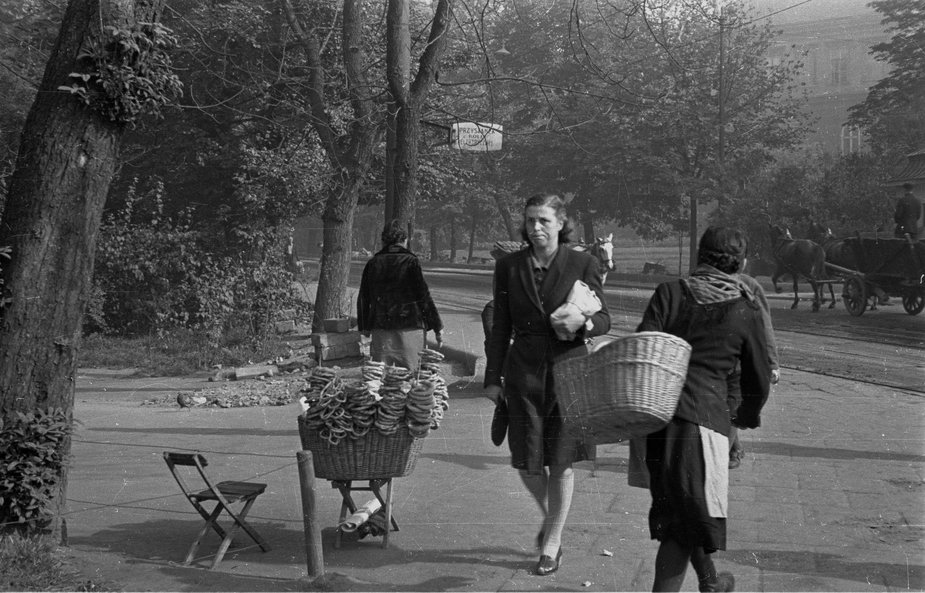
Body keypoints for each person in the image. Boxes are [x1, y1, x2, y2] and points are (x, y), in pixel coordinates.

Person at [636, 226, 771, 592]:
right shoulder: (746, 308)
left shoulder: (669, 293)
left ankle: (711, 583)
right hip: (705, 423)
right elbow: (757, 380)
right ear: (739, 264)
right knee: (683, 526)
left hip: (658, 419)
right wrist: (741, 421)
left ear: (699, 256)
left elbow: (643, 348)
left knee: (682, 513)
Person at [483, 193, 611, 576]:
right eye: (529, 221)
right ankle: (551, 515)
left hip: (568, 372)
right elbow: (499, 324)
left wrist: (584, 325)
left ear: (560, 223)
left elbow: (604, 317)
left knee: (561, 462)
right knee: (526, 462)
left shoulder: (582, 262)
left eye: (543, 220)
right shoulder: (509, 266)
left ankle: (552, 542)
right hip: (522, 372)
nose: (535, 228)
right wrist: (493, 378)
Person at [357, 219, 442, 370]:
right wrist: (437, 326)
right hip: (411, 327)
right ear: (405, 240)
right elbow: (423, 296)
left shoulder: (374, 263)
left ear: (383, 242)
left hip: (381, 326)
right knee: (412, 374)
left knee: (382, 376)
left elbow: (364, 297)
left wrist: (365, 327)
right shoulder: (411, 261)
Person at [727, 271, 780, 469]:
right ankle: (733, 449)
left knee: (732, 403)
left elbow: (764, 324)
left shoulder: (748, 284)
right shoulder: (747, 283)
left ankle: (728, 452)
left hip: (737, 358)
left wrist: (772, 362)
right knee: (730, 404)